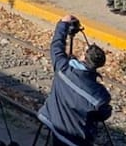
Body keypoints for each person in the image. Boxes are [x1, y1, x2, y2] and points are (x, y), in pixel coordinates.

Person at [37, 15, 111, 145]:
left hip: (54, 124)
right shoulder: (100, 95)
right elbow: (103, 114)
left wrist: (63, 24)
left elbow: (56, 46)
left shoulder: (63, 69)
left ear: (83, 57)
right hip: (77, 139)